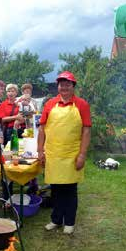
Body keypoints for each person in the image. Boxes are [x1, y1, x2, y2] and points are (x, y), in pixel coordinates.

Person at [37, 71, 91, 234]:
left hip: (71, 155)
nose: (64, 86)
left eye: (68, 84)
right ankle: (56, 219)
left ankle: (69, 221)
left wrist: (82, 154)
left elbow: (86, 131)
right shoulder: (50, 104)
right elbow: (42, 129)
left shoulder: (82, 104)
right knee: (56, 189)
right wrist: (40, 151)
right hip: (53, 154)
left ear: (73, 86)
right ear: (58, 86)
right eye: (61, 84)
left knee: (69, 190)